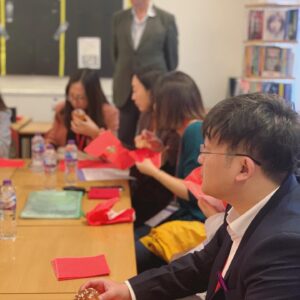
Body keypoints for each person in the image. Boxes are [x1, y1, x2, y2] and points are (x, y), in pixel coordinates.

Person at [79, 93, 300, 300]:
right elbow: (204, 264)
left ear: (244, 169)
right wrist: (128, 289)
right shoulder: (247, 204)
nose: (199, 159)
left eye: (207, 151)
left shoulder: (284, 247)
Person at [133, 71, 206, 272]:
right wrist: (159, 150)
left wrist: (153, 172)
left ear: (169, 105)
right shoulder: (190, 130)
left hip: (195, 220)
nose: (155, 108)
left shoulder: (194, 131)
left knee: (133, 249)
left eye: (158, 103)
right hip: (186, 215)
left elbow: (194, 192)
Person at [112, 0, 178, 147]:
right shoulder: (118, 18)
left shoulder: (166, 19)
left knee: (151, 140)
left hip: (154, 92)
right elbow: (116, 55)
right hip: (125, 91)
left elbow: (172, 61)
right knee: (125, 141)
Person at [130, 69, 180, 226]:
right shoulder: (145, 116)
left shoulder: (175, 127)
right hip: (143, 188)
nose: (132, 97)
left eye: (135, 90)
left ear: (152, 93)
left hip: (162, 197)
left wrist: (158, 152)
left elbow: (173, 170)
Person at [45, 69, 119, 150]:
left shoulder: (109, 114)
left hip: (93, 162)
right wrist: (49, 147)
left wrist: (95, 133)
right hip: (68, 161)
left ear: (92, 96)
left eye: (80, 97)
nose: (74, 102)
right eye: (71, 96)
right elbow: (52, 138)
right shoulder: (62, 110)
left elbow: (114, 151)